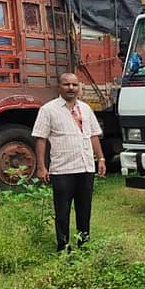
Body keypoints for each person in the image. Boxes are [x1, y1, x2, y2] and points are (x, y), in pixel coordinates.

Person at [32, 73, 106, 251]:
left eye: (74, 85)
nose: (71, 88)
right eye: (66, 85)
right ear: (59, 87)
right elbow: (40, 139)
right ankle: (63, 246)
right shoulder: (48, 110)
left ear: (79, 87)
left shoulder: (86, 109)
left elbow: (94, 135)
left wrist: (101, 158)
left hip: (86, 167)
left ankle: (84, 244)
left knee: (84, 210)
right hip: (62, 169)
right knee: (62, 212)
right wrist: (41, 167)